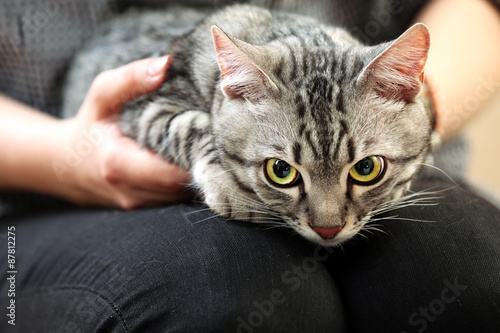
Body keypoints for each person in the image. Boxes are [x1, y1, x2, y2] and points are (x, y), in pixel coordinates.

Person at [1, 0, 499, 332]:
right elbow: (143, 109)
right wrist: (66, 156)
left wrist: (418, 113)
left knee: (469, 272)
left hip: (378, 120)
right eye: (285, 171)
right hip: (42, 176)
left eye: (364, 169)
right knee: (233, 297)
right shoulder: (225, 75)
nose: (328, 221)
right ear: (235, 92)